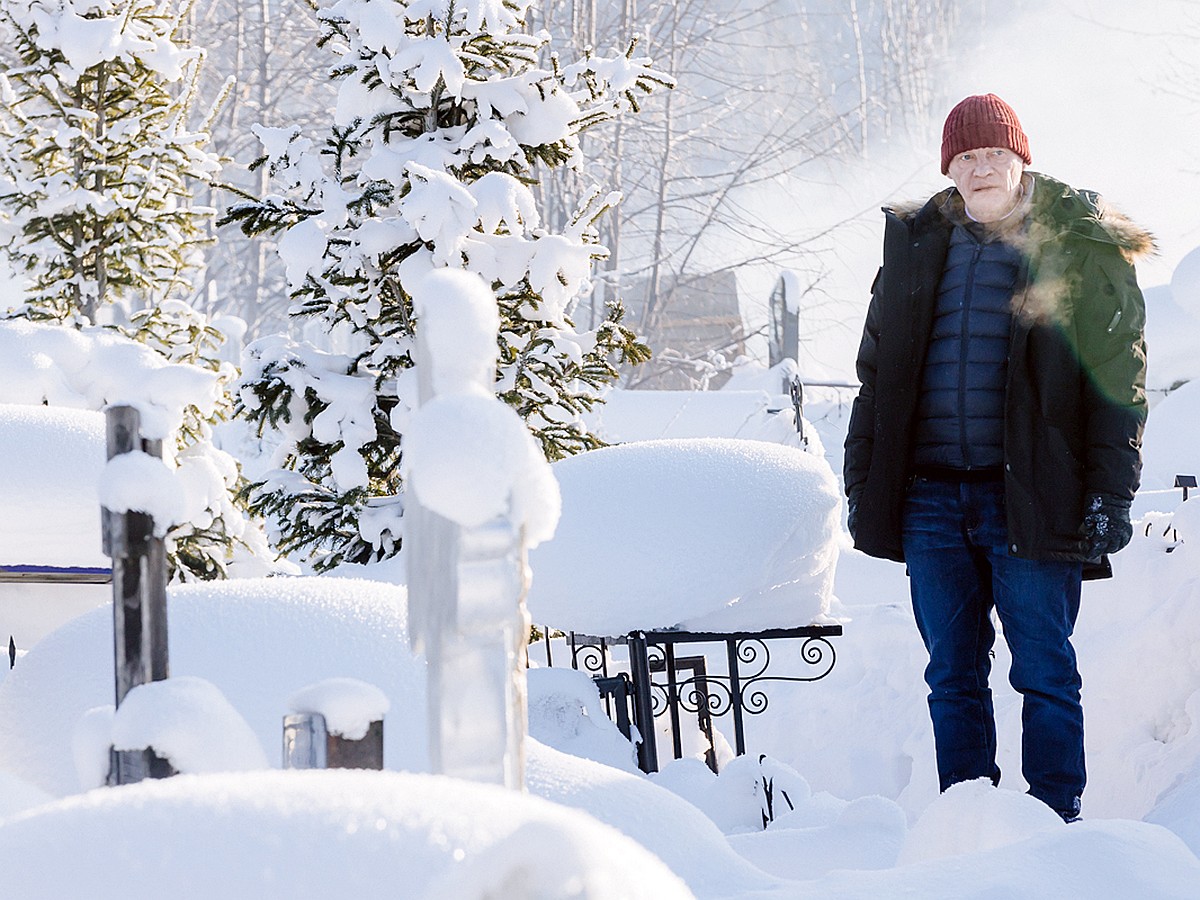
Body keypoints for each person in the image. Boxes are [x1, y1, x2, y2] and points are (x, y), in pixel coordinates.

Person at [843, 93, 1150, 822]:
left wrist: (1112, 493)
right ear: (950, 168)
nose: (982, 169)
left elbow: (1119, 382)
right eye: (967, 157)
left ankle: (1055, 818)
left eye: (995, 155)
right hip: (930, 499)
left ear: (1021, 162)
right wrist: (863, 484)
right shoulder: (916, 248)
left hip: (1034, 494)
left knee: (1044, 671)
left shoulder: (1078, 247)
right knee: (951, 674)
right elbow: (875, 377)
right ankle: (967, 824)